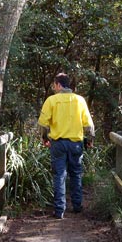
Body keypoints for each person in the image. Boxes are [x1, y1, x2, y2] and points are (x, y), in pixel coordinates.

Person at [38, 73, 95, 219]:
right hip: (76, 143)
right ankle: (77, 206)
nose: (54, 88)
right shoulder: (80, 100)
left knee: (59, 175)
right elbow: (88, 124)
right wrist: (89, 139)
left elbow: (43, 123)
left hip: (58, 144)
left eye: (54, 85)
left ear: (58, 84)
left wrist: (45, 138)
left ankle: (59, 210)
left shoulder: (51, 100)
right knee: (76, 174)